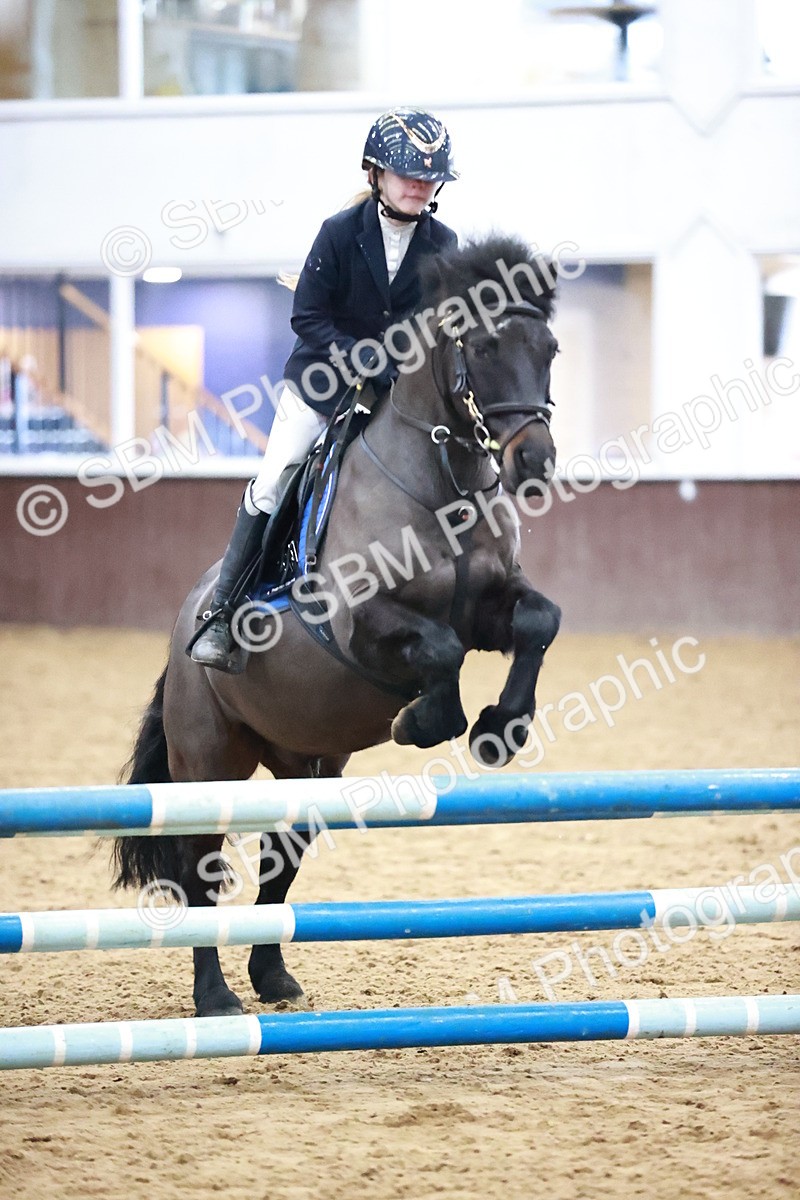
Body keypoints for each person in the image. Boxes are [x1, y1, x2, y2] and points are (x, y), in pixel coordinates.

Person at [190, 107, 459, 672]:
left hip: (395, 393)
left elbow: (439, 323)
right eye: (407, 172)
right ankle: (223, 613)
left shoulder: (445, 242)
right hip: (323, 384)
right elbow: (307, 317)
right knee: (277, 473)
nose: (420, 184)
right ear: (375, 174)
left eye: (429, 177)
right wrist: (359, 356)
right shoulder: (339, 234)